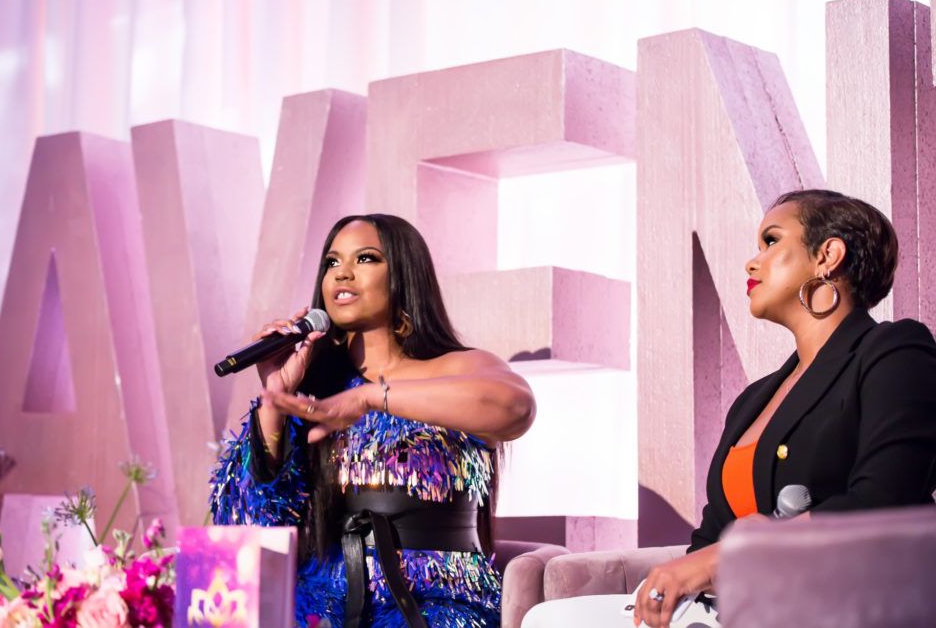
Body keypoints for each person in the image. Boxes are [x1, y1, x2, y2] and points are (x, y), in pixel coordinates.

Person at [524, 189, 936, 627]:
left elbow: (885, 502)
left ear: (827, 255)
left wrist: (735, 557)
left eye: (771, 241)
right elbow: (711, 537)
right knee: (550, 619)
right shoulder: (753, 400)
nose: (752, 263)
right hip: (744, 609)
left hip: (847, 606)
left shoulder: (894, 351)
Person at [210, 213, 536, 627]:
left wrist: (372, 398)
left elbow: (515, 408)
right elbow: (245, 525)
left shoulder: (457, 367)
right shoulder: (315, 389)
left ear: (403, 273)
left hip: (436, 601)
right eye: (331, 262)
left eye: (364, 258)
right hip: (322, 604)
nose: (342, 273)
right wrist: (274, 395)